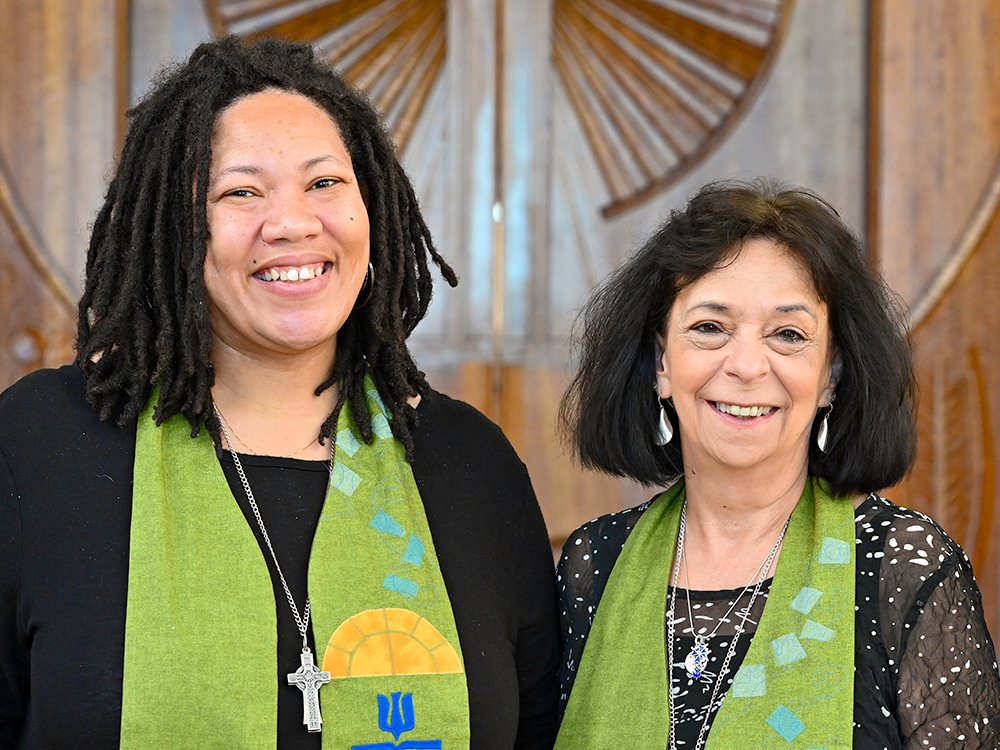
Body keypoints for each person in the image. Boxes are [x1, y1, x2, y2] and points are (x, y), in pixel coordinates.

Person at [0, 36, 559, 750]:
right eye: (241, 191)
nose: (293, 223)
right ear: (176, 225)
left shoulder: (468, 464)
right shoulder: (42, 446)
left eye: (324, 184)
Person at [554, 180, 1000, 749]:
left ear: (830, 378)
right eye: (710, 327)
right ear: (662, 362)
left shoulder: (902, 568)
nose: (745, 365)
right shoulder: (594, 565)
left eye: (787, 335)